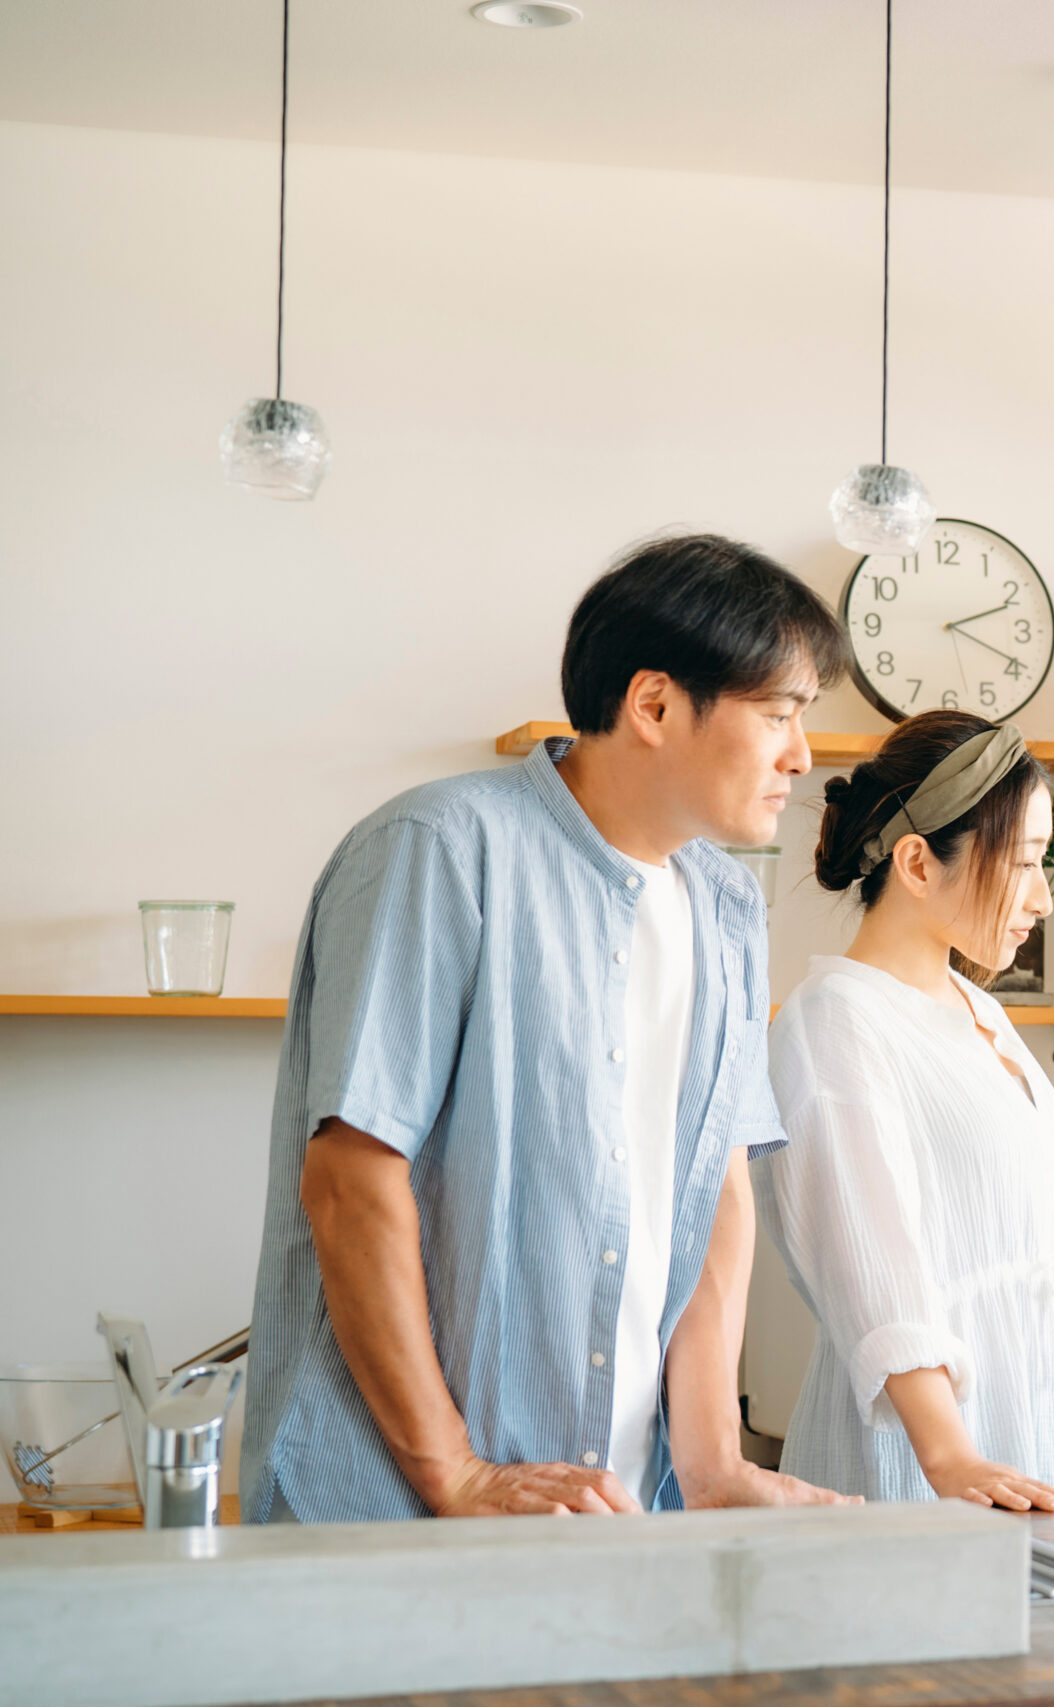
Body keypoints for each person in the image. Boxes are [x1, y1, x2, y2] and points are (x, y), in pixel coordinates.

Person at [241, 534, 853, 1520]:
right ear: (653, 704)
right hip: (384, 1499)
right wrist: (456, 1471)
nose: (802, 754)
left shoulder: (728, 910)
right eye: (778, 713)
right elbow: (351, 1181)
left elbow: (717, 1185)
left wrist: (710, 1465)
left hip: (610, 1503)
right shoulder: (441, 848)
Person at [754, 711, 1054, 1509]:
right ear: (917, 861)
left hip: (1039, 1431)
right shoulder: (834, 1022)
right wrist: (950, 1458)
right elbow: (872, 1268)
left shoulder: (976, 1008)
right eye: (1021, 863)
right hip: (924, 1452)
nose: (1043, 897)